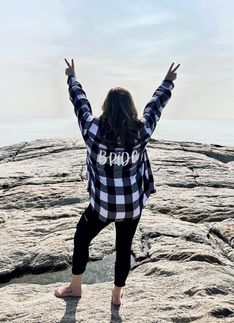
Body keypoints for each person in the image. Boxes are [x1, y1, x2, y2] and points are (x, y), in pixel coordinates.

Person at [54, 58, 180, 305]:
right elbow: (155, 107)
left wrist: (72, 77)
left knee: (82, 238)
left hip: (102, 207)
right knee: (124, 248)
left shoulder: (93, 130)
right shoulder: (141, 131)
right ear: (130, 107)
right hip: (132, 206)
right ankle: (116, 295)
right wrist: (167, 82)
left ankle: (75, 287)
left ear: (106, 107)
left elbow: (80, 104)